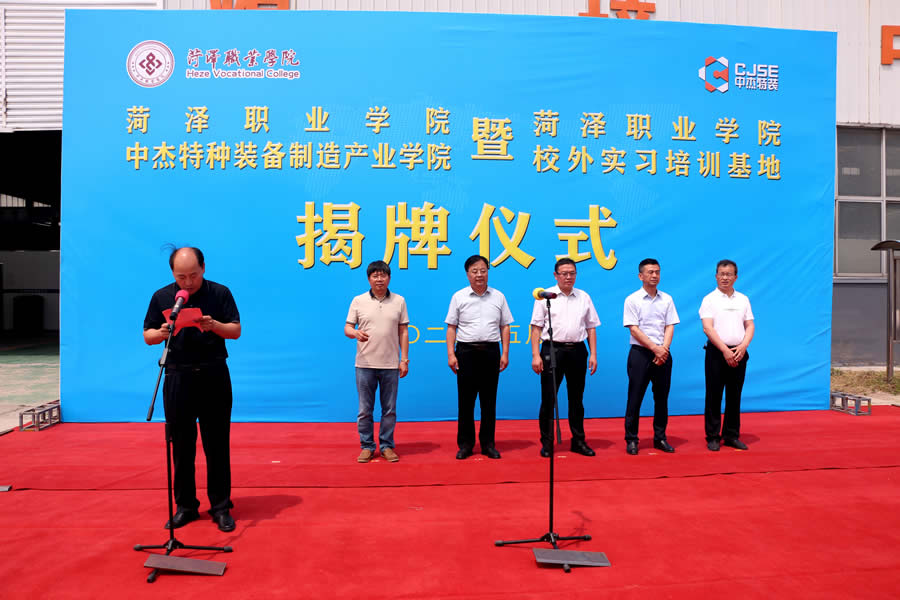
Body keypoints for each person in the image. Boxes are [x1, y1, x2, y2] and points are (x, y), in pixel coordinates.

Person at [143, 246, 241, 533]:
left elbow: (235, 330)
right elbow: (147, 335)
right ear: (173, 273)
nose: (187, 282)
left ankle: (220, 506)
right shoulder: (162, 297)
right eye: (181, 277)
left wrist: (214, 325)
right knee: (181, 446)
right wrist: (161, 333)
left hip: (213, 376)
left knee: (216, 445)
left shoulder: (219, 293)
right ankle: (185, 506)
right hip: (177, 376)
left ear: (204, 268)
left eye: (193, 275)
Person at [445, 255, 514, 460]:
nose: (479, 275)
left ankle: (488, 444)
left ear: (488, 272)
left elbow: (505, 326)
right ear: (467, 274)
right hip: (466, 352)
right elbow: (451, 327)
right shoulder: (459, 297)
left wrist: (505, 353)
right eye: (474, 271)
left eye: (483, 270)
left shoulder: (498, 296)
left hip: (491, 352)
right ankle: (465, 444)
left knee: (489, 401)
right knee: (466, 402)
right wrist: (451, 354)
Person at [530, 258, 600, 457]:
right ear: (556, 275)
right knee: (548, 399)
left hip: (577, 350)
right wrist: (535, 355)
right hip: (552, 350)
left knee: (576, 399)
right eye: (564, 273)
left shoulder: (584, 297)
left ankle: (578, 441)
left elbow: (591, 327)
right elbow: (536, 328)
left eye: (572, 273)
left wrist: (593, 354)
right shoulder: (545, 296)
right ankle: (547, 442)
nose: (569, 277)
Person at [345, 260, 409, 463]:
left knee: (389, 410)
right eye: (375, 275)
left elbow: (403, 331)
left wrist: (404, 359)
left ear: (389, 278)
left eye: (383, 275)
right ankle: (367, 446)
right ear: (369, 279)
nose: (379, 279)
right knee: (365, 411)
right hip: (364, 365)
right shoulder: (358, 300)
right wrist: (355, 333)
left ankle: (387, 446)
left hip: (390, 364)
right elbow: (347, 328)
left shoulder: (399, 301)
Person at [622, 258, 680, 455]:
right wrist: (655, 348)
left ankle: (660, 437)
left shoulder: (667, 299)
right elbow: (633, 329)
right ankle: (631, 439)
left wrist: (664, 349)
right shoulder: (632, 299)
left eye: (657, 272)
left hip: (663, 353)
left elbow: (670, 325)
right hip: (640, 354)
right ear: (641, 276)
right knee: (635, 397)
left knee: (662, 398)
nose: (654, 275)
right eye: (650, 272)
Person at [700, 259, 755, 451]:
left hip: (739, 352)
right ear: (716, 276)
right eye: (721, 274)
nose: (725, 278)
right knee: (714, 395)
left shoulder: (743, 299)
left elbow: (750, 325)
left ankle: (731, 435)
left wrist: (743, 346)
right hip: (717, 353)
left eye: (728, 274)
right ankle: (713, 436)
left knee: (734, 395)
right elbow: (707, 328)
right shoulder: (709, 299)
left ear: (735, 277)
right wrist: (724, 350)